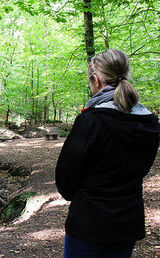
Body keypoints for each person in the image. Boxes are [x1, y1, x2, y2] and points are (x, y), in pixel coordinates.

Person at [55, 49, 160, 258]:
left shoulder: (90, 121)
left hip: (88, 222)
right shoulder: (149, 122)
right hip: (128, 221)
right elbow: (142, 168)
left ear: (95, 80)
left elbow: (66, 178)